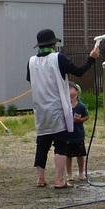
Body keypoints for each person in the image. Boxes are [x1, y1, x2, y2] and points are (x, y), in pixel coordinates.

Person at [27, 28, 99, 188]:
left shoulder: (31, 61)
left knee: (42, 144)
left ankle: (40, 179)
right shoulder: (58, 58)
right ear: (53, 44)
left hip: (40, 110)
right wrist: (91, 59)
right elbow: (79, 72)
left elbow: (30, 79)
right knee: (60, 144)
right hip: (57, 109)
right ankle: (60, 180)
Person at [64, 82, 89, 187]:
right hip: (68, 135)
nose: (68, 90)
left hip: (78, 134)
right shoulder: (65, 105)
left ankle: (81, 172)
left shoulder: (81, 106)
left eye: (71, 88)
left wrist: (80, 120)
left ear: (77, 92)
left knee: (80, 155)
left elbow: (87, 116)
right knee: (68, 155)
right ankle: (69, 174)